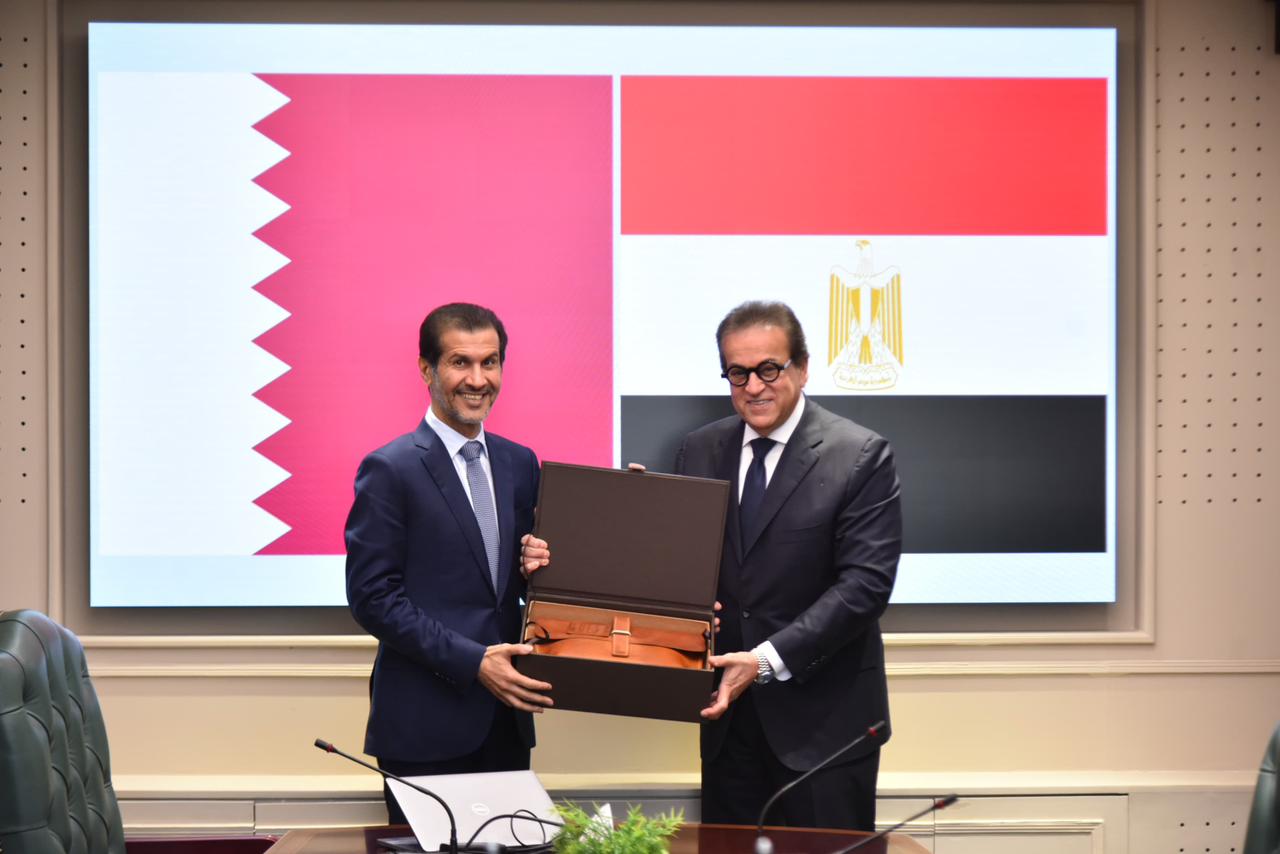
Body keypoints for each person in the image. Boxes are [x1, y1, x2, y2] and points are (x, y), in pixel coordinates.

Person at [674, 300, 902, 832]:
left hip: (825, 730)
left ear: (802, 368)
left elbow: (865, 587)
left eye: (769, 369)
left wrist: (763, 660)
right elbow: (688, 564)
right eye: (737, 372)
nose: (753, 386)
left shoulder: (860, 454)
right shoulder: (698, 450)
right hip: (728, 725)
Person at [344, 302, 553, 824]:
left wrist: (536, 566)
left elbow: (512, 583)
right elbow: (372, 599)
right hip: (423, 729)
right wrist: (474, 661)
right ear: (427, 369)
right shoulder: (389, 469)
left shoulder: (520, 463)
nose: (478, 380)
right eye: (461, 362)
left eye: (490, 362)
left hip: (505, 724)